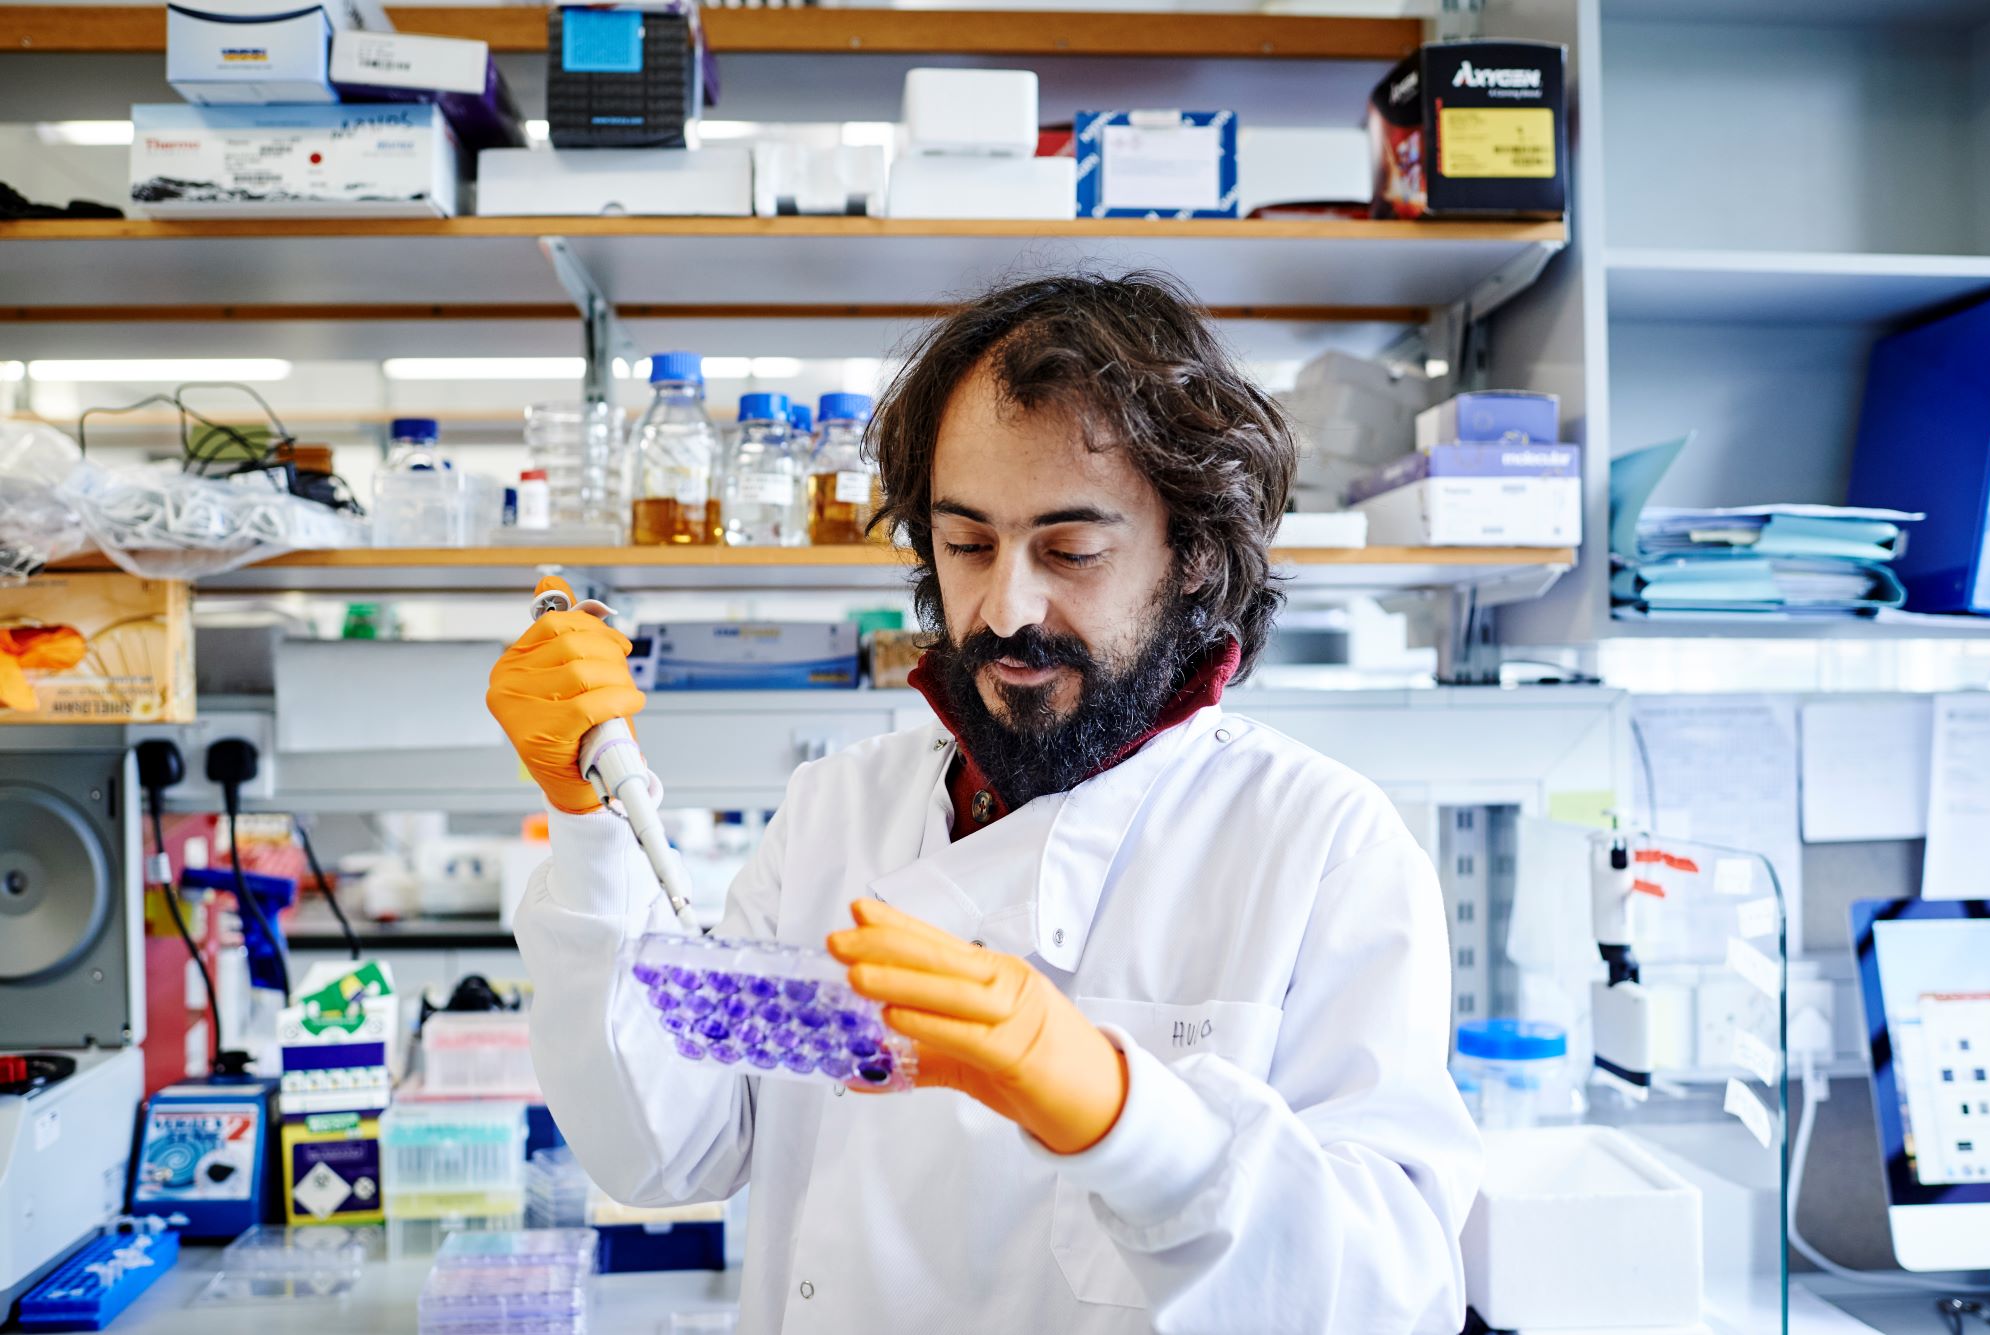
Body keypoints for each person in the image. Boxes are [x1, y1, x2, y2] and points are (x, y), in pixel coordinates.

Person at [489, 272, 1482, 1333]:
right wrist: (587, 825)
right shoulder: (836, 812)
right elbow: (666, 1150)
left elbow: (1390, 1296)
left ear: (1192, 555)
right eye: (966, 544)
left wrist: (1118, 1111)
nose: (1004, 607)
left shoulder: (1316, 843)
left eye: (1070, 551)